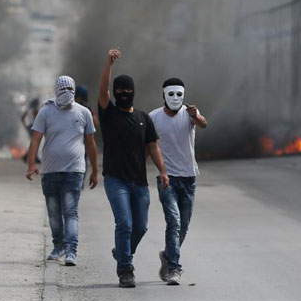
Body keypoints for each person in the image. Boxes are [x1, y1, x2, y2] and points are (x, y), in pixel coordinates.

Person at [97, 48, 169, 288]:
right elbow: (103, 91)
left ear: (133, 92)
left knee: (141, 226)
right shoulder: (109, 115)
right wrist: (109, 64)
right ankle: (125, 269)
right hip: (115, 180)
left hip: (139, 182)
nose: (123, 93)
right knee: (125, 223)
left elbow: (154, 147)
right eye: (120, 89)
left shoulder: (143, 118)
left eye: (127, 89)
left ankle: (122, 251)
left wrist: (163, 171)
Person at [25, 75, 98, 266]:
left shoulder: (84, 113)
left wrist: (95, 170)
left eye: (69, 89)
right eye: (62, 89)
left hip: (74, 171)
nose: (66, 93)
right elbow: (35, 139)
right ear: (56, 91)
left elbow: (91, 144)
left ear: (74, 90)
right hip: (49, 171)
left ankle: (71, 251)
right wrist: (31, 164)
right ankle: (58, 246)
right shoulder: (46, 111)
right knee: (54, 213)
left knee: (71, 212)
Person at [149, 78, 207, 285]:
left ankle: (167, 255)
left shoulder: (190, 114)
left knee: (183, 226)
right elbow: (146, 144)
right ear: (163, 94)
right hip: (167, 179)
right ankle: (174, 268)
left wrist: (195, 115)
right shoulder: (153, 117)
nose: (175, 98)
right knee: (173, 222)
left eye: (179, 94)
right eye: (170, 94)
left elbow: (203, 124)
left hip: (189, 177)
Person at [75, 85, 100, 188]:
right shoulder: (88, 109)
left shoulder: (71, 107)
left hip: (79, 141)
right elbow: (96, 122)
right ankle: (79, 183)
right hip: (84, 141)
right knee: (82, 162)